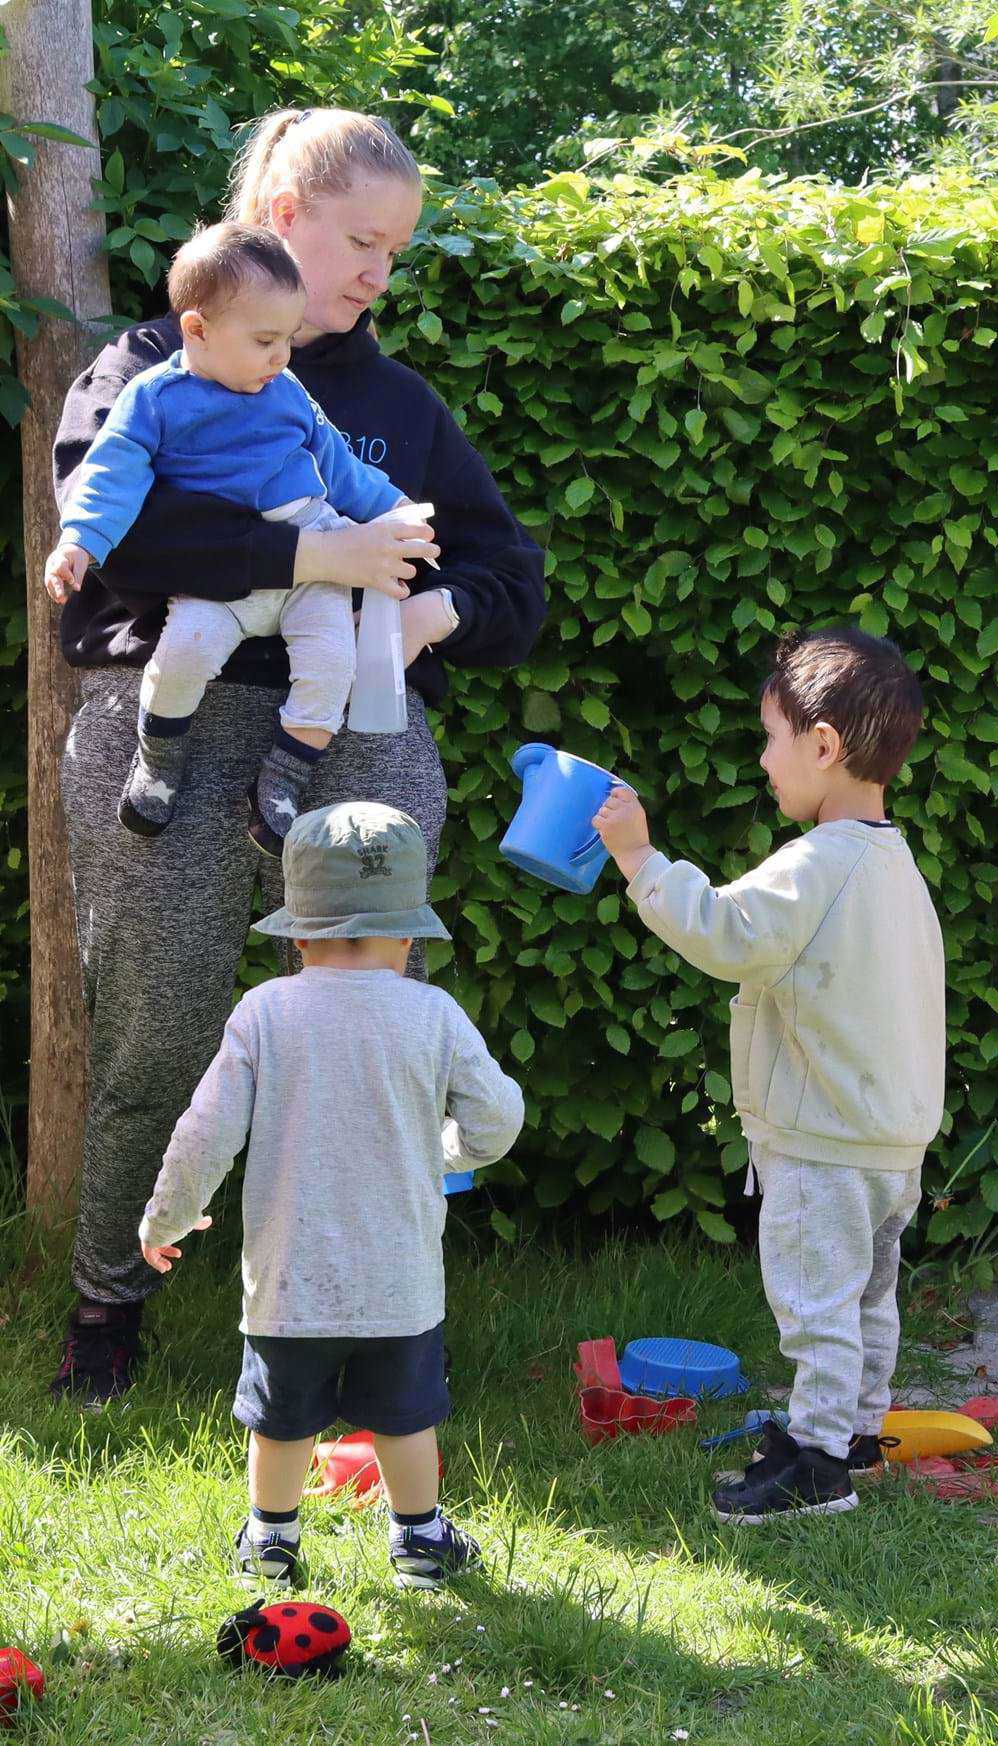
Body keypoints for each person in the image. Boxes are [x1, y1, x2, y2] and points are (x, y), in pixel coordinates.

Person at [43, 107, 546, 1407]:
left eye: (397, 248)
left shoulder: (395, 406)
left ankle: (375, 1319)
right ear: (282, 221)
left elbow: (509, 572)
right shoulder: (156, 364)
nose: (381, 271)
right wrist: (303, 559)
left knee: (376, 1037)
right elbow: (110, 557)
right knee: (158, 1034)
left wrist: (447, 610)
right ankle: (110, 1298)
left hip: (360, 723)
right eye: (360, 241)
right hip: (173, 714)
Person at [593, 628, 946, 1523]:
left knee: (817, 1301)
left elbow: (724, 932)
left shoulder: (819, 863)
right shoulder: (892, 862)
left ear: (823, 746)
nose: (763, 758)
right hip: (890, 1135)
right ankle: (857, 1432)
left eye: (772, 738)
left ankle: (816, 1464)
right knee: (868, 1297)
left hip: (824, 1137)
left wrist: (639, 858)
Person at [140, 802, 524, 1591]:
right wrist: (448, 1150)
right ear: (410, 936)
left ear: (297, 935)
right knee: (405, 1415)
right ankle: (419, 1541)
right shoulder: (434, 1015)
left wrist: (167, 1217)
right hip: (401, 1282)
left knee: (279, 1418)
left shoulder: (265, 1012)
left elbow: (204, 1131)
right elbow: (498, 1117)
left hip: (290, 1281)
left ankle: (271, 1542)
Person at [46, 222, 423, 851]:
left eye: (288, 341)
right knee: (185, 653)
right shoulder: (154, 398)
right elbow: (111, 476)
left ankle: (282, 777)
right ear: (197, 331)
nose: (281, 357)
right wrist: (79, 540)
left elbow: (341, 469)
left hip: (314, 545)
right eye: (266, 340)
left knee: (334, 665)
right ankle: (158, 763)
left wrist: (402, 511)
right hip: (225, 575)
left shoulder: (286, 390)